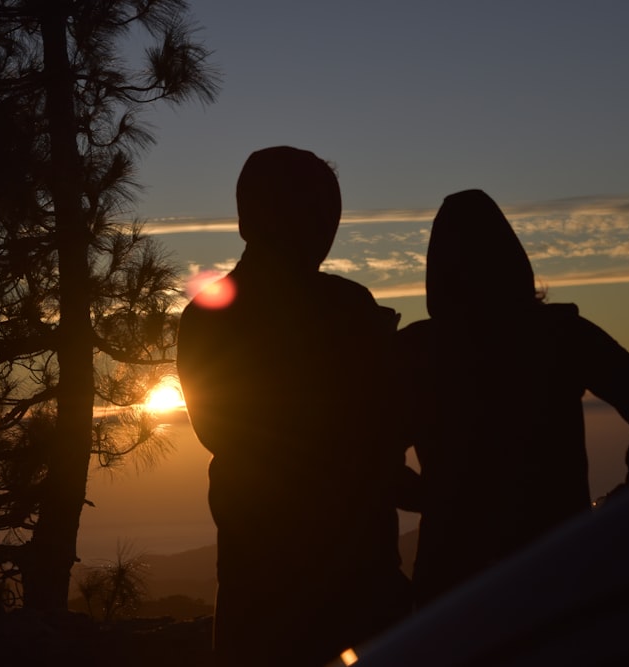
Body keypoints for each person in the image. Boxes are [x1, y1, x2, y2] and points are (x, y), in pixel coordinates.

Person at [177, 146, 411, 667]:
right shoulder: (349, 308)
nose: (327, 228)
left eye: (331, 214)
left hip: (257, 567)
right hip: (350, 566)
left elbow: (218, 431)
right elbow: (383, 423)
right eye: (318, 212)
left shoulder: (204, 315)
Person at [396, 189, 629, 607]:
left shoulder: (417, 352)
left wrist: (440, 502)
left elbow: (367, 457)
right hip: (558, 568)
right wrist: (626, 503)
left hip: (451, 582)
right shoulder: (559, 334)